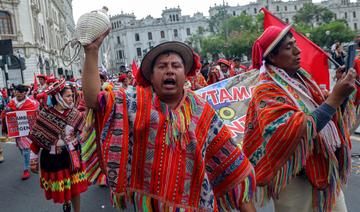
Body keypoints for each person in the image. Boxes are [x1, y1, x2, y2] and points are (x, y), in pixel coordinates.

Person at [82, 32, 256, 211]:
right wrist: (92, 51)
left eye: (176, 65)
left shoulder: (202, 111)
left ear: (185, 73)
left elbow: (230, 163)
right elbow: (94, 100)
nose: (170, 70)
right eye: (162, 66)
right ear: (151, 75)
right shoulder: (133, 102)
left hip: (196, 204)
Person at [243, 25, 356, 212]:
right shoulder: (266, 90)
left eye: (295, 43)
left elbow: (327, 115)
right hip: (294, 182)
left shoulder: (303, 78)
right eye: (288, 47)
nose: (297, 50)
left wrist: (340, 92)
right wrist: (335, 97)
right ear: (272, 56)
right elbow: (290, 130)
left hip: (326, 171)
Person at [29, 80, 87, 212]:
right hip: (54, 158)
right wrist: (33, 160)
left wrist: (81, 136)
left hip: (73, 155)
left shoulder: (75, 113)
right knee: (64, 187)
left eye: (71, 95)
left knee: (75, 188)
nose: (71, 98)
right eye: (67, 96)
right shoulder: (45, 115)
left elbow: (83, 130)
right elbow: (37, 140)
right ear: (58, 97)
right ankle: (66, 204)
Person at [6, 85, 38, 179]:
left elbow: (36, 116)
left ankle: (26, 169)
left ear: (25, 93)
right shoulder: (11, 102)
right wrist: (7, 111)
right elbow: (6, 115)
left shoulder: (31, 103)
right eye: (16, 91)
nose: (17, 94)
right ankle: (30, 161)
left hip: (27, 132)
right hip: (17, 131)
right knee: (22, 149)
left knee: (26, 150)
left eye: (20, 92)